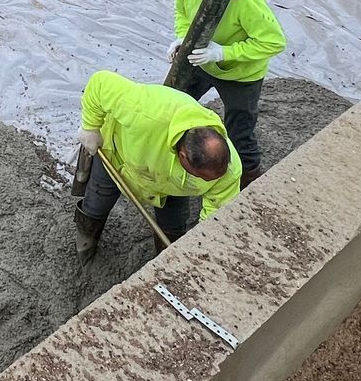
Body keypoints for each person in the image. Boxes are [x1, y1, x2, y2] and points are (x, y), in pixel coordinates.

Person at [72, 70, 238, 257]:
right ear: (183, 156)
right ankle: (84, 250)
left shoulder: (229, 171)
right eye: (203, 178)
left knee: (173, 228)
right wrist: (90, 127)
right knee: (95, 206)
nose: (210, 182)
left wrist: (202, 247)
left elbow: (216, 214)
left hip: (172, 186)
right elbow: (100, 83)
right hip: (118, 157)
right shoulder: (145, 110)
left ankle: (165, 261)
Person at [165, 0, 286, 188]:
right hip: (201, 59)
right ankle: (177, 157)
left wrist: (223, 53)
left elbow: (273, 41)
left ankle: (249, 178)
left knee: (239, 131)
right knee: (173, 103)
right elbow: (182, 12)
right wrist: (182, 37)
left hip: (240, 73)